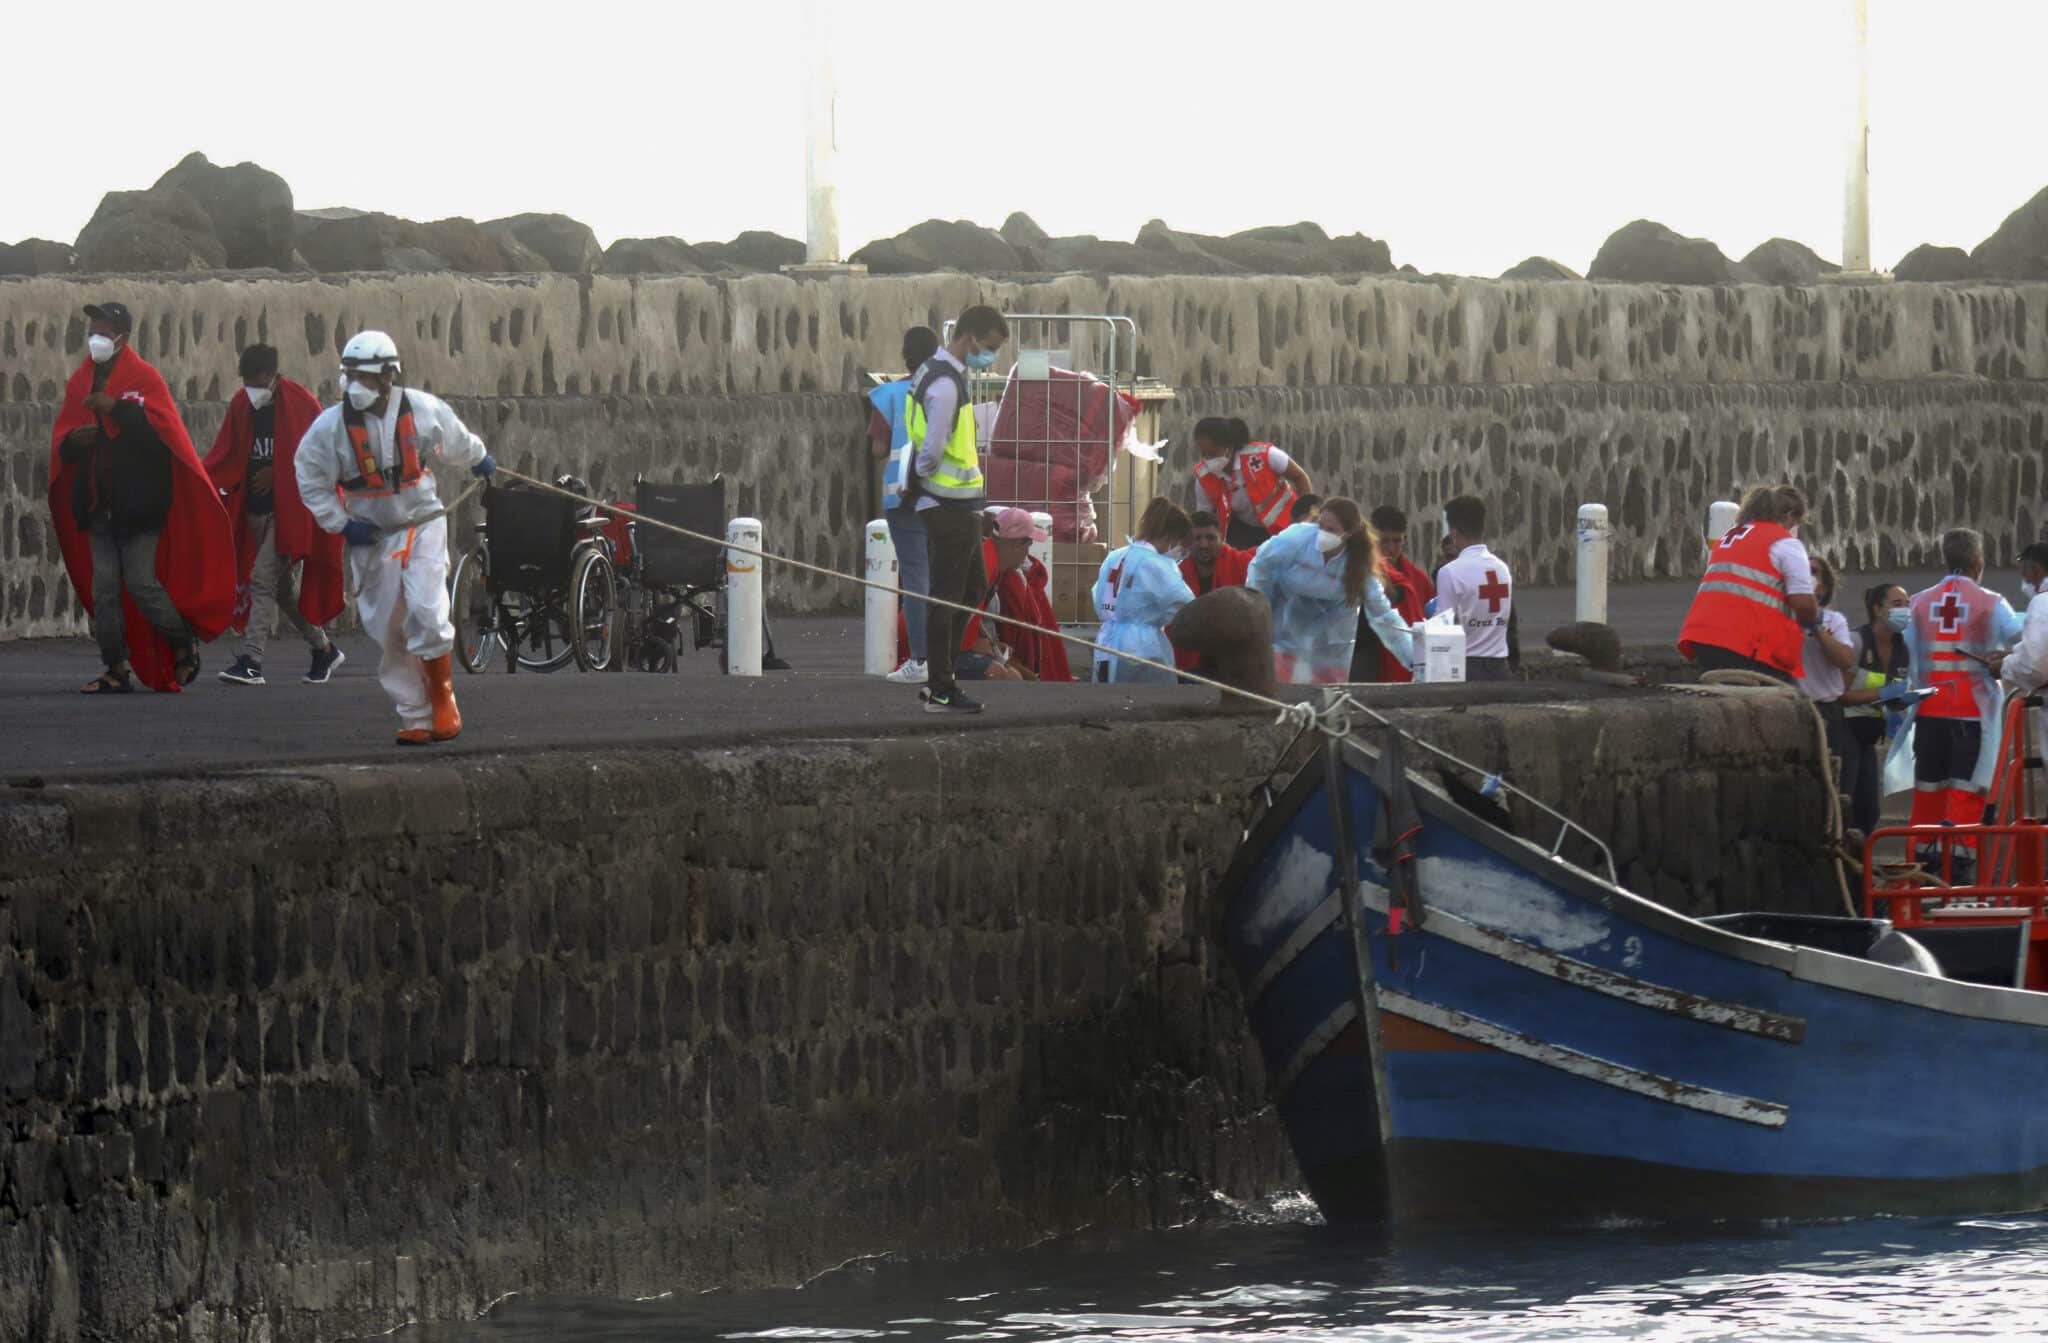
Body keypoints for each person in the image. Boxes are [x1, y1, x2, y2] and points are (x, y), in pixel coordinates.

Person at [294, 330, 495, 744]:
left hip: (422, 522)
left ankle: (442, 698)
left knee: (426, 608)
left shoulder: (420, 408)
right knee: (389, 627)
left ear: (388, 376)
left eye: (365, 377)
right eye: (350, 376)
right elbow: (310, 479)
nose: (356, 386)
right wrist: (341, 523)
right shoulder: (329, 428)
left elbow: (453, 438)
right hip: (373, 536)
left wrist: (478, 460)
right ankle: (414, 714)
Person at [48, 300, 236, 693]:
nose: (95, 338)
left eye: (102, 330)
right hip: (98, 504)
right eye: (92, 330)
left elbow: (163, 437)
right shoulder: (80, 382)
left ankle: (182, 642)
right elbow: (64, 436)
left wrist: (117, 410)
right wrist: (72, 443)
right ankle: (115, 668)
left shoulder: (145, 379)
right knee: (104, 589)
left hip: (138, 506)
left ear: (122, 337)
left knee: (141, 583)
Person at [1885, 527, 2025, 877]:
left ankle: (1920, 872)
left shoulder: (1919, 601)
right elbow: (2024, 638)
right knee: (1966, 793)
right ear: (1978, 562)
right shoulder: (1991, 602)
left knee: (1928, 792)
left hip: (1929, 713)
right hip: (1972, 716)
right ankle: (1957, 875)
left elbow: (1901, 642)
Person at [204, 344, 346, 687]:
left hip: (290, 512)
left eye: (255, 381)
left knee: (262, 578)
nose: (250, 388)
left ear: (272, 376)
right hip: (254, 511)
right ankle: (323, 649)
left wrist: (276, 474)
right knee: (282, 590)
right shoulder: (242, 405)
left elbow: (319, 461)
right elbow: (225, 454)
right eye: (246, 381)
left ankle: (252, 659)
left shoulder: (301, 404)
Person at [905, 305, 1007, 714]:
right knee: (948, 596)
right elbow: (932, 445)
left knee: (970, 588)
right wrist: (928, 479)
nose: (991, 356)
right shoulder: (946, 384)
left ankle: (941, 676)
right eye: (990, 348)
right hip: (947, 502)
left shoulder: (936, 371)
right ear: (969, 339)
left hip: (957, 502)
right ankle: (940, 687)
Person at [1247, 497, 1413, 685]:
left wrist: (1414, 659)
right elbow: (1260, 565)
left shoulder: (1358, 565)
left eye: (1331, 530)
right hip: (1283, 618)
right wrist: (1260, 609)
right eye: (1321, 526)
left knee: (1325, 692)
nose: (1323, 534)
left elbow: (1383, 615)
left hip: (1330, 634)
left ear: (1348, 534)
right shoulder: (1296, 539)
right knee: (1277, 683)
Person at [1676, 484, 1819, 684]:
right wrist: (1816, 623)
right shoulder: (1785, 543)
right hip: (1745, 644)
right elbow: (1803, 603)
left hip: (1703, 637)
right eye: (1797, 521)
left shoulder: (1730, 536)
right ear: (1790, 516)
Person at [867, 325, 942, 685]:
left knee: (916, 579)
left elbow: (879, 449)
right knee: (944, 579)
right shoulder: (950, 392)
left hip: (902, 496)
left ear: (905, 355)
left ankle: (921, 659)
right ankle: (947, 658)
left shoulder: (889, 394)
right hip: (946, 497)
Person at [1093, 497, 1196, 684]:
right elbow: (1184, 603)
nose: (1180, 555)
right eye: (1182, 549)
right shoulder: (1157, 564)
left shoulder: (1115, 556)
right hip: (1142, 647)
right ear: (1172, 539)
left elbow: (1097, 594)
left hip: (1106, 642)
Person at [1839, 582, 1912, 837]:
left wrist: (1904, 700)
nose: (1906, 610)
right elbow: (1837, 694)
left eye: (1907, 604)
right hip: (1844, 732)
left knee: (1869, 810)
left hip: (1869, 735)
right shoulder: (1857, 642)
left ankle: (1861, 869)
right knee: (1845, 806)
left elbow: (1892, 699)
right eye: (1897, 604)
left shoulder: (1902, 648)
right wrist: (1880, 694)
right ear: (1878, 609)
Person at [1191, 416, 1313, 549]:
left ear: (1229, 447)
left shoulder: (1264, 455)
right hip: (1242, 531)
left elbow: (1300, 477)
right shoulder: (1204, 476)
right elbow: (1205, 518)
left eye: (1213, 453)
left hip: (1284, 525)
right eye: (1204, 454)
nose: (1208, 459)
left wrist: (1305, 519)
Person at [1799, 553, 1859, 805]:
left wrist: (1815, 626)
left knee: (1832, 788)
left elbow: (1844, 659)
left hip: (1827, 712)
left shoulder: (1835, 621)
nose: (1806, 575)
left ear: (1822, 588)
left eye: (1813, 572)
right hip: (1794, 710)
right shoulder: (1778, 617)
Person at [1434, 495, 1516, 682]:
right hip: (1500, 667)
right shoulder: (1502, 569)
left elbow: (1442, 628)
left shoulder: (1449, 572)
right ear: (1483, 528)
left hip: (1465, 668)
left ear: (1453, 532)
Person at [1352, 504, 1435, 682]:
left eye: (1397, 541)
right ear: (1372, 539)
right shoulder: (1360, 576)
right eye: (1384, 541)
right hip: (1370, 667)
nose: (1391, 548)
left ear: (1405, 538)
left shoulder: (1419, 579)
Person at [1173, 510, 1256, 675]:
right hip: (1190, 661)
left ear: (1222, 537)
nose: (1204, 545)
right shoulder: (1175, 574)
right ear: (1187, 541)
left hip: (1234, 661)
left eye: (1210, 538)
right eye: (1197, 538)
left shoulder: (1244, 564)